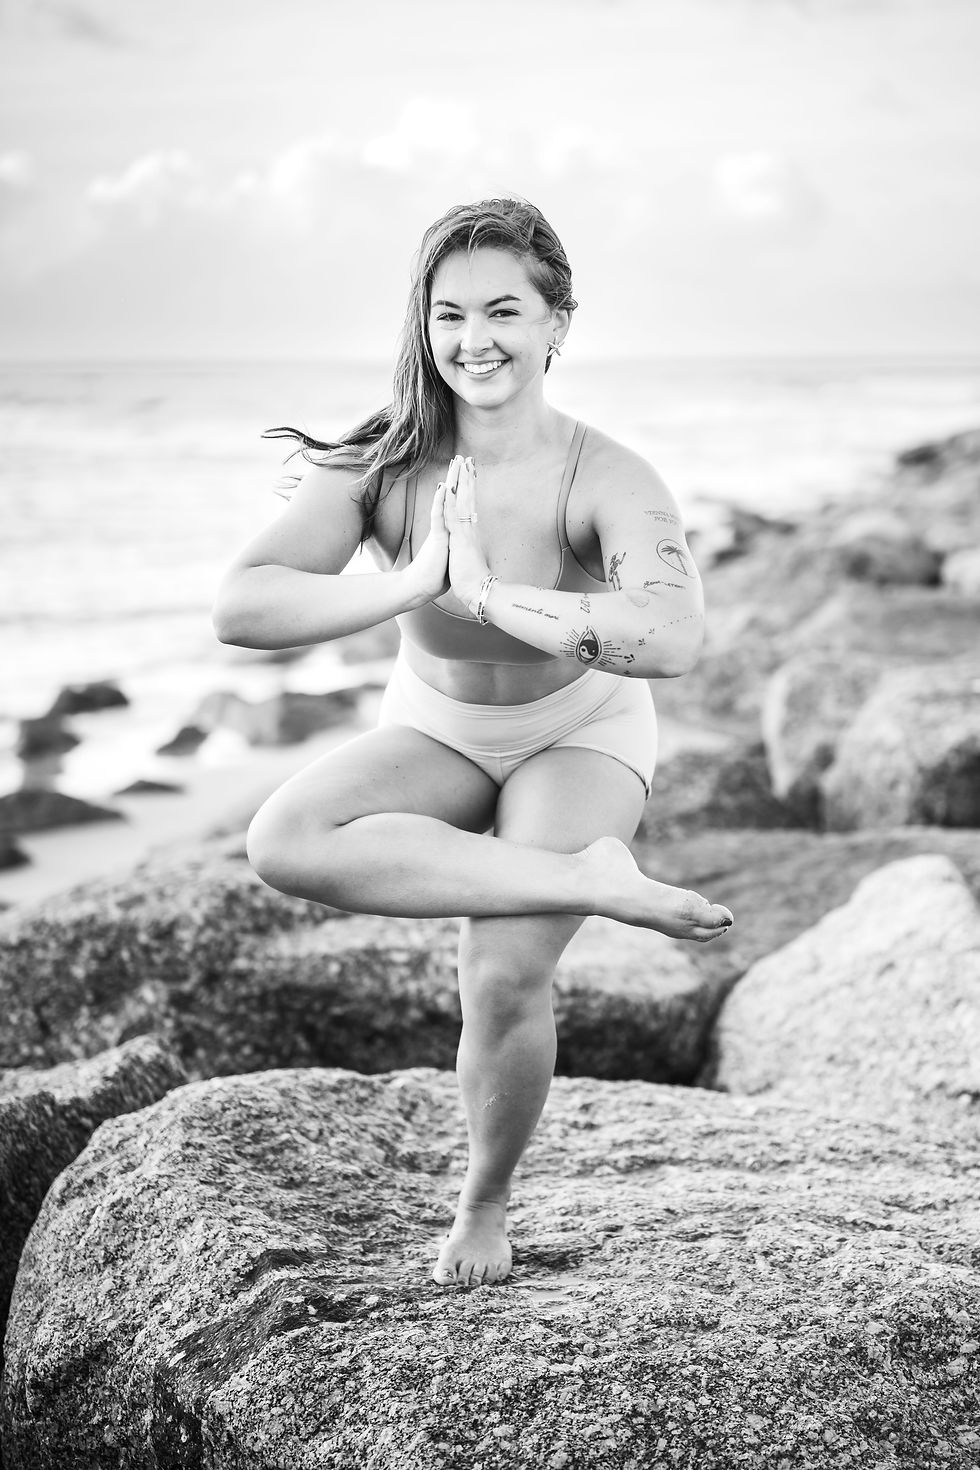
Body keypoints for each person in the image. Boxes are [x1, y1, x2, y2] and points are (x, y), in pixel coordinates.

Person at [212, 197, 733, 1289]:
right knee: (285, 837)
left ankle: (483, 1200)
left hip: (577, 731)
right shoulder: (382, 460)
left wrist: (498, 598)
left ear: (556, 324)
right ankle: (581, 876)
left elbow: (674, 636)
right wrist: (413, 583)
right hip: (438, 724)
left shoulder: (606, 475)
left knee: (498, 972)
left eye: (504, 310)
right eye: (448, 314)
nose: (473, 339)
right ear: (423, 323)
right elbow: (243, 607)